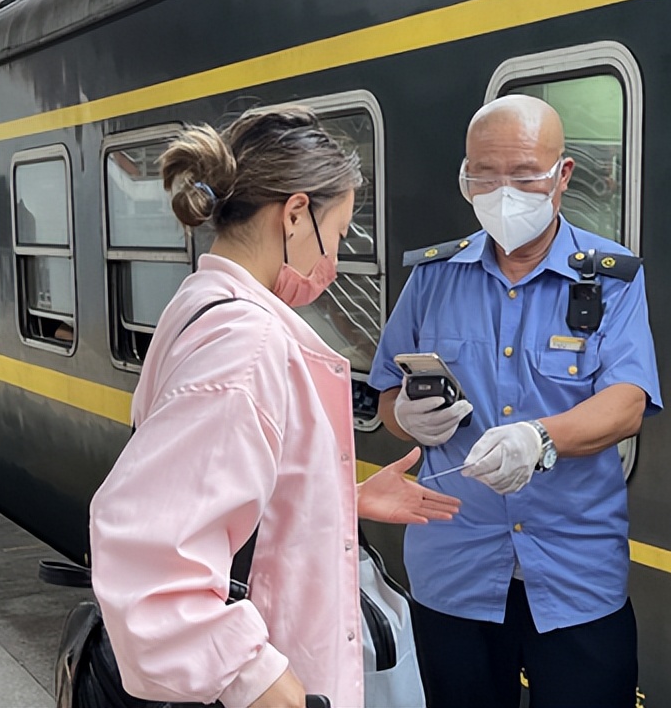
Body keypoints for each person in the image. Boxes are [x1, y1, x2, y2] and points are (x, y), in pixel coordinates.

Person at [89, 106, 461, 708]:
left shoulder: (200, 304)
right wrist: (258, 680)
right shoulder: (246, 343)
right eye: (336, 234)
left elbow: (222, 486)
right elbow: (153, 557)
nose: (334, 265)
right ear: (294, 215)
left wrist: (343, 501)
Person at [370, 95, 662, 708]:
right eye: (485, 174)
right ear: (465, 177)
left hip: (576, 574)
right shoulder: (432, 278)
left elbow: (627, 400)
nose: (505, 191)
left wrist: (540, 438)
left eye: (525, 175)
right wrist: (406, 416)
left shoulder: (611, 279)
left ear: (563, 176)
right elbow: (390, 393)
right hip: (454, 567)